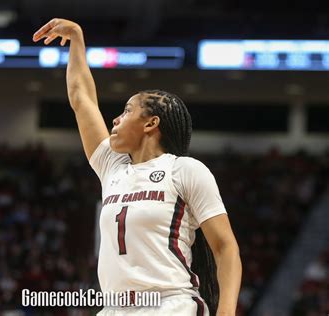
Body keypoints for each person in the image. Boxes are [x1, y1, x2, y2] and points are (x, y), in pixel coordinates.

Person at [33, 19, 242, 316]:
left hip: (171, 305)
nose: (115, 120)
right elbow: (81, 100)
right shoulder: (113, 167)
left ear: (151, 123)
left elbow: (225, 248)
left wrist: (226, 312)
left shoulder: (184, 171)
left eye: (127, 110)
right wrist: (77, 40)